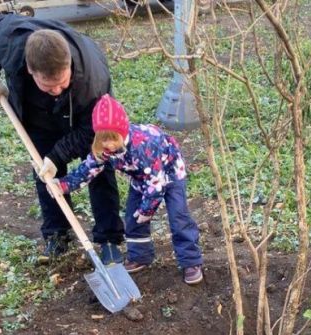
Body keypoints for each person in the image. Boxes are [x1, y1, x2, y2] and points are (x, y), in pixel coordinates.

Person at [0, 14, 124, 265]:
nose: (56, 89)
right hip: (37, 113)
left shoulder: (93, 82)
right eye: (48, 85)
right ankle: (58, 233)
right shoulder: (8, 43)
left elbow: (90, 131)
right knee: (44, 170)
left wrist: (59, 155)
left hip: (82, 113)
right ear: (30, 70)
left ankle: (109, 237)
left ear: (69, 66)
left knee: (99, 165)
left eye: (61, 83)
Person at [53, 94, 204, 285]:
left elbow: (156, 185)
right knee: (133, 218)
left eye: (112, 139)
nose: (108, 144)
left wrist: (146, 211)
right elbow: (88, 169)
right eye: (102, 139)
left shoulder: (143, 146)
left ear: (122, 132)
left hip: (170, 173)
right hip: (142, 178)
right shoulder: (105, 149)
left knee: (178, 217)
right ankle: (140, 255)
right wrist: (64, 185)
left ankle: (190, 261)